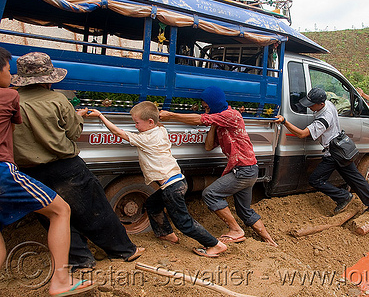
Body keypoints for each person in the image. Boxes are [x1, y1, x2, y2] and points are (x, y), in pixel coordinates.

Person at [11, 52, 144, 270]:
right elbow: (73, 132)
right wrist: (76, 116)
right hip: (65, 167)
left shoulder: (10, 100)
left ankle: (80, 259)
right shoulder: (57, 100)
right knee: (93, 209)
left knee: (52, 216)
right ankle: (124, 250)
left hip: (29, 171)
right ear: (48, 80)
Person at [0, 47, 93, 296]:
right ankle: (61, 279)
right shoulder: (10, 97)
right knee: (61, 210)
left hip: (26, 165)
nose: (9, 74)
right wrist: (75, 114)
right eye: (7, 69)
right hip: (8, 171)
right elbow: (71, 131)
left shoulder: (15, 96)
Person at [87, 102, 227, 258]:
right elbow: (155, 121)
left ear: (150, 122)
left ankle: (215, 245)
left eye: (137, 123)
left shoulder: (146, 139)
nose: (136, 126)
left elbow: (118, 133)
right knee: (153, 204)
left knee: (184, 223)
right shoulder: (160, 130)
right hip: (178, 181)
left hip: (171, 187)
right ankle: (167, 234)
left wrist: (100, 116)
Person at [159, 86, 277, 246]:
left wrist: (171, 115)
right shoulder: (221, 123)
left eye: (207, 106)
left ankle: (236, 230)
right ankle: (270, 241)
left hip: (243, 170)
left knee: (210, 194)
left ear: (215, 102)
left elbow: (200, 119)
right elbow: (208, 146)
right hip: (248, 170)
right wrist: (214, 123)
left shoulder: (232, 115)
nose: (205, 110)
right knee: (244, 211)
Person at [275, 87, 369, 214]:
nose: (310, 107)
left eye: (312, 105)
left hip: (333, 153)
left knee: (316, 180)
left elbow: (302, 134)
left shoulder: (323, 119)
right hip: (340, 147)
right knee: (356, 179)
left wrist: (285, 121)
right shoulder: (328, 103)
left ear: (321, 104)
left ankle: (344, 197)